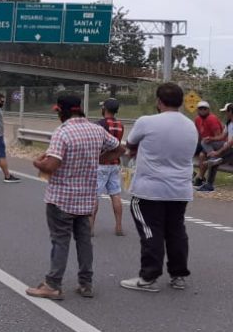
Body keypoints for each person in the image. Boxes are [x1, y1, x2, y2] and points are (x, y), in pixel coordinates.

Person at [26, 94, 122, 300]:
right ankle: (86, 283)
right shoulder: (97, 130)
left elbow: (51, 165)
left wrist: (38, 163)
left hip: (61, 198)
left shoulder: (63, 132)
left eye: (58, 111)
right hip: (86, 198)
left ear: (62, 111)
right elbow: (120, 149)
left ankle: (52, 284)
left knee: (60, 240)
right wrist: (99, 160)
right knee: (84, 241)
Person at [121, 82, 199, 292]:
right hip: (180, 189)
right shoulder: (190, 125)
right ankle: (178, 275)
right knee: (176, 231)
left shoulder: (146, 122)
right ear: (181, 102)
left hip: (150, 190)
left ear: (159, 101)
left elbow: (130, 145)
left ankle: (148, 277)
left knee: (150, 231)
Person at [94, 98, 125, 234]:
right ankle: (118, 227)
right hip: (115, 163)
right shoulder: (120, 125)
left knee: (94, 196)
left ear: (105, 109)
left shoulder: (99, 125)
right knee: (115, 194)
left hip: (101, 163)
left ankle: (89, 228)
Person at [200, 102, 233, 192]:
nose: (225, 113)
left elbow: (230, 143)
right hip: (228, 147)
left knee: (216, 160)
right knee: (204, 141)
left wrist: (218, 152)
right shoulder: (229, 123)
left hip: (231, 150)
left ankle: (209, 185)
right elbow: (222, 136)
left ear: (231, 112)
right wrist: (211, 138)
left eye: (226, 111)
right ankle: (214, 158)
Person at [193, 100, 225, 188]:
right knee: (186, 150)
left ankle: (200, 178)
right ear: (197, 110)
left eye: (205, 109)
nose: (202, 110)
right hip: (204, 142)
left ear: (208, 110)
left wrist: (209, 139)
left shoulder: (212, 119)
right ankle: (191, 173)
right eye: (200, 108)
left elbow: (219, 137)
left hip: (215, 143)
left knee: (202, 155)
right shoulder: (197, 119)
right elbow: (198, 134)